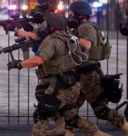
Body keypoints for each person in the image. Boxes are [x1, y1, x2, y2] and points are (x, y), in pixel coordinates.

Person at [9, 12, 108, 136]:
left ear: (50, 27)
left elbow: (38, 60)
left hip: (59, 87)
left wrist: (19, 64)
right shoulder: (71, 38)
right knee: (72, 119)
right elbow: (85, 49)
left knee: (42, 114)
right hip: (72, 85)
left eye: (46, 25)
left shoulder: (52, 41)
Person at [68, 0, 128, 134]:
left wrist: (69, 38)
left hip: (88, 75)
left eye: (72, 13)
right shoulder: (81, 27)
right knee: (70, 108)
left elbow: (87, 45)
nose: (70, 16)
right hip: (81, 74)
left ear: (80, 14)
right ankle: (67, 132)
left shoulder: (85, 28)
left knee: (100, 110)